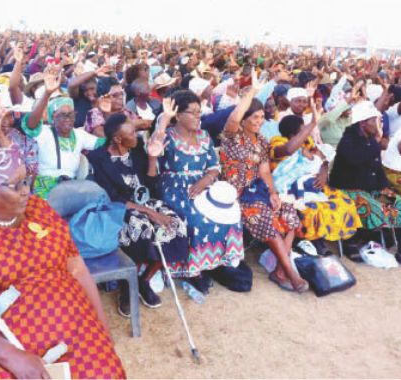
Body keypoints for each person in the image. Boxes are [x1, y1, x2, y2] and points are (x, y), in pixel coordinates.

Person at [0, 148, 126, 379]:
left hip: (70, 324)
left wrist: (103, 330)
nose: (26, 191)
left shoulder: (40, 210)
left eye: (26, 181)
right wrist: (13, 357)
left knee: (104, 371)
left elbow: (78, 269)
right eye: (15, 185)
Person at [88, 113, 188, 315]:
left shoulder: (137, 150)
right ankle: (128, 286)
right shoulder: (98, 159)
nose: (137, 135)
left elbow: (150, 185)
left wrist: (152, 158)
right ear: (117, 139)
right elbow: (112, 198)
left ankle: (143, 281)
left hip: (145, 201)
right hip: (120, 208)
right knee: (141, 227)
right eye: (132, 133)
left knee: (176, 225)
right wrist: (149, 213)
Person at [221, 77, 308, 293]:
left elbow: (264, 170)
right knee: (264, 217)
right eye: (255, 117)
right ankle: (292, 273)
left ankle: (279, 271)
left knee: (288, 213)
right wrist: (251, 93)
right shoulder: (232, 136)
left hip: (258, 190)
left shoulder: (261, 141)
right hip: (237, 194)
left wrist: (273, 192)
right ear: (244, 120)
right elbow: (233, 119)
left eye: (262, 117)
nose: (260, 121)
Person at [153, 91, 245, 291]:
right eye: (192, 113)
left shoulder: (204, 136)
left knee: (230, 213)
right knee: (195, 217)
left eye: (199, 112)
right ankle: (193, 269)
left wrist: (206, 179)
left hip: (203, 184)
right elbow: (154, 149)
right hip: (175, 186)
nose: (198, 117)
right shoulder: (168, 135)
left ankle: (218, 261)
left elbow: (214, 166)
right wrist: (164, 120)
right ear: (178, 115)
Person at [330, 101, 401, 269]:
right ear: (363, 122)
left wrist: (385, 189)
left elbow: (377, 169)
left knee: (399, 202)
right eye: (376, 121)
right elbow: (355, 160)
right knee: (370, 205)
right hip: (348, 189)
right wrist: (377, 141)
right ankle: (353, 241)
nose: (380, 124)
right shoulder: (349, 139)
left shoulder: (370, 139)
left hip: (370, 188)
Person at [269, 113, 362, 255]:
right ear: (293, 134)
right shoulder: (277, 143)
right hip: (288, 186)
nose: (307, 132)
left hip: (312, 182)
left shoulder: (307, 143)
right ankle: (315, 242)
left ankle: (347, 240)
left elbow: (322, 156)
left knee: (344, 202)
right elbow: (289, 151)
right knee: (312, 209)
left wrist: (323, 172)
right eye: (303, 130)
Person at [21, 67, 105, 203]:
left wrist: (105, 113)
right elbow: (31, 125)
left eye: (71, 115)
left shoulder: (80, 135)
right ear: (52, 117)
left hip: (70, 187)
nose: (68, 119)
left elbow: (104, 143)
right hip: (45, 188)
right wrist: (47, 93)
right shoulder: (44, 132)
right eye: (62, 115)